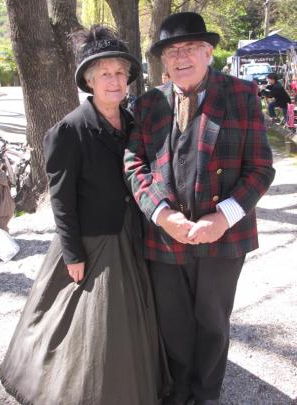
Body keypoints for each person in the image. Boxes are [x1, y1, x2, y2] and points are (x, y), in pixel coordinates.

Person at [0, 25, 166, 405]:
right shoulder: (67, 131)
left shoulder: (134, 123)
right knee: (94, 327)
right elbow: (61, 200)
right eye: (105, 74)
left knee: (134, 316)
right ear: (90, 81)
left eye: (120, 73)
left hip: (131, 234)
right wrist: (73, 254)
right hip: (92, 242)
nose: (114, 80)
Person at [124, 12, 275, 405]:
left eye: (190, 48)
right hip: (165, 234)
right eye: (172, 51)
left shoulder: (242, 95)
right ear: (163, 60)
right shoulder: (147, 104)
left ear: (209, 52)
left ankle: (207, 392)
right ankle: (178, 389)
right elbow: (134, 164)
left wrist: (223, 215)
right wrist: (161, 214)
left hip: (223, 236)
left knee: (212, 321)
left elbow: (261, 167)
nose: (181, 57)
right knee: (172, 321)